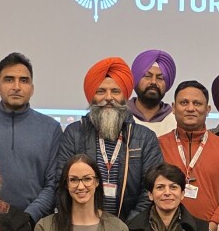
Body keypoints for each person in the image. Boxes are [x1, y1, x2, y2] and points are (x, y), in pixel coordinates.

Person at [47, 57, 165, 221]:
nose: (108, 98)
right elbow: (61, 185)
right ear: (91, 97)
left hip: (130, 230)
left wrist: (125, 228)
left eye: (115, 92)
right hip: (82, 226)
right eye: (100, 91)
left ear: (125, 97)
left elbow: (151, 190)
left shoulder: (145, 137)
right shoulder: (73, 133)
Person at [0, 52, 64, 219]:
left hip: (33, 223)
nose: (16, 86)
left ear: (32, 88)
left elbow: (53, 184)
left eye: (24, 80)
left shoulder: (51, 128)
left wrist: (27, 217)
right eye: (9, 79)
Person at [157, 80, 219, 225]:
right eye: (184, 103)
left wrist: (213, 226)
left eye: (197, 103)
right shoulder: (158, 144)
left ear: (208, 109)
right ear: (173, 108)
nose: (190, 108)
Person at [129, 49, 177, 136]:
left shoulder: (175, 120)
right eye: (147, 76)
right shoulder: (120, 116)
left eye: (160, 78)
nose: (153, 82)